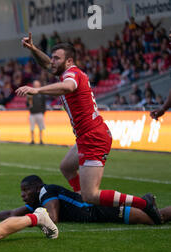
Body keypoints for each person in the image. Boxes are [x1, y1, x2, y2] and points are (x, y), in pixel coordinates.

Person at [15, 33, 162, 225]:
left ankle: (144, 203)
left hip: (93, 137)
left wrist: (38, 90)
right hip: (87, 135)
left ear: (69, 60)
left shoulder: (72, 74)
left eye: (57, 58)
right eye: (52, 58)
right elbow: (46, 65)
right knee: (66, 167)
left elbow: (68, 87)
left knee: (91, 194)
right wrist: (33, 49)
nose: (52, 61)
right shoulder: (65, 71)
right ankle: (81, 199)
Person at [0, 175, 170, 225]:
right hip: (96, 212)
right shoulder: (39, 200)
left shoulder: (46, 192)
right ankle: (147, 203)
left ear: (36, 187)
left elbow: (52, 218)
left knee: (157, 219)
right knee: (156, 218)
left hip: (99, 209)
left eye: (26, 190)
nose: (23, 195)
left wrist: (25, 222)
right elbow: (12, 213)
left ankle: (147, 202)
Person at [27, 80, 46, 145]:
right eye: (35, 84)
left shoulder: (41, 93)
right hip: (32, 114)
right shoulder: (30, 93)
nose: (36, 85)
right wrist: (29, 104)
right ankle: (32, 140)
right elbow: (27, 104)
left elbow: (44, 104)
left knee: (41, 128)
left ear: (39, 85)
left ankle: (41, 140)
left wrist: (43, 113)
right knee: (32, 128)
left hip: (39, 113)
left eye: (37, 84)